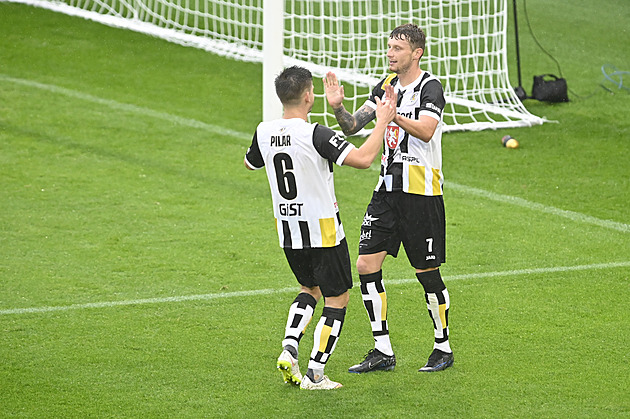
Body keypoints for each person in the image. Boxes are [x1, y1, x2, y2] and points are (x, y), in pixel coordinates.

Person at [244, 65, 396, 390]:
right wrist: (382, 121)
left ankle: (290, 345)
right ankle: (315, 372)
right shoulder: (317, 134)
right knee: (337, 298)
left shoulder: (263, 131)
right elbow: (363, 159)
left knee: (308, 290)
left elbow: (250, 162)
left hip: (288, 229)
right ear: (309, 96)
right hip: (324, 230)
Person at [323, 23, 453, 373]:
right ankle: (382, 349)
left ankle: (443, 346)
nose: (390, 53)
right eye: (389, 47)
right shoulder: (384, 86)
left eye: (397, 48)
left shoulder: (430, 87)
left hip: (421, 191)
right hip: (387, 190)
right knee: (366, 264)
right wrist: (338, 107)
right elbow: (352, 126)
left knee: (426, 270)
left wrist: (392, 114)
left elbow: (427, 131)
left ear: (416, 53)